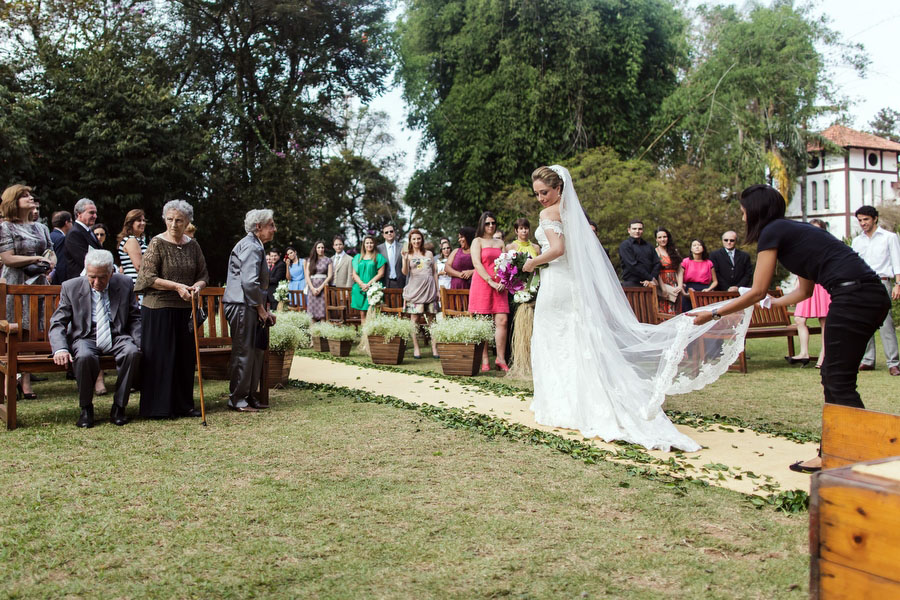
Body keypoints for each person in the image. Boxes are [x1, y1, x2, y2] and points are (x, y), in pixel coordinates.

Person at [523, 165, 751, 452]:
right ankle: (575, 400)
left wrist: (532, 262)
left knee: (557, 339)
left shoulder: (549, 214)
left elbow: (558, 250)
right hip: (571, 285)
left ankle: (561, 402)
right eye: (537, 194)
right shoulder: (573, 214)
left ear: (559, 188)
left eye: (545, 192)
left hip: (558, 283)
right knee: (574, 339)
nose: (541, 199)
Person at [691, 184, 891, 471]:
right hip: (867, 296)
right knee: (836, 375)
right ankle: (847, 449)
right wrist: (777, 303)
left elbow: (757, 290)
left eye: (744, 211)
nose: (744, 217)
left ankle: (846, 451)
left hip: (855, 297)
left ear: (756, 210)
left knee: (836, 377)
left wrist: (712, 313)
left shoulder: (773, 231)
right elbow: (804, 291)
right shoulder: (793, 233)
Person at [49, 249, 141, 428]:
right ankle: (86, 407)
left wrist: (140, 342)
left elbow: (135, 317)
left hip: (117, 335)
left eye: (102, 277)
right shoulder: (71, 287)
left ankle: (119, 406)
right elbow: (58, 322)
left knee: (132, 352)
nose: (96, 282)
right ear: (86, 271)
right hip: (85, 336)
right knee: (83, 356)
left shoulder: (125, 283)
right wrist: (60, 348)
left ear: (111, 273)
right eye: (92, 277)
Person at [134, 200, 209, 418]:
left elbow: (203, 274)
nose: (174, 224)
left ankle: (184, 405)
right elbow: (147, 277)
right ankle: (158, 408)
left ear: (187, 222)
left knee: (184, 359)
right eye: (170, 219)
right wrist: (176, 286)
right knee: (162, 357)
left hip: (184, 308)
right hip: (158, 307)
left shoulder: (193, 245)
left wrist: (197, 286)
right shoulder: (157, 243)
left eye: (179, 220)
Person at [0, 184, 54, 399]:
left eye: (31, 195)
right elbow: (8, 258)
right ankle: (8, 381)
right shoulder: (5, 227)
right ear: (14, 201)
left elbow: (50, 251)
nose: (31, 198)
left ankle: (27, 382)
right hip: (15, 284)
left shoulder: (41, 227)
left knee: (34, 330)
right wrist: (35, 259)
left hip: (39, 283)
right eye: (25, 196)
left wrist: (49, 262)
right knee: (14, 330)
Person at [223, 209, 277, 412]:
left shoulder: (256, 245)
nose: (274, 229)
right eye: (271, 225)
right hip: (242, 305)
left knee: (254, 352)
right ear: (258, 227)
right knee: (244, 352)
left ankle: (249, 395)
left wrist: (263, 310)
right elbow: (249, 282)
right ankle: (237, 399)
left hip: (248, 305)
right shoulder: (251, 247)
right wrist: (262, 311)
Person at [851, 205, 900, 376]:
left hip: (882, 283)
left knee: (886, 323)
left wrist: (898, 284)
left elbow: (897, 261)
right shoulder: (857, 241)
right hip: (862, 284)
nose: (863, 223)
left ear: (875, 219)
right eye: (860, 220)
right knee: (863, 323)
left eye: (866, 219)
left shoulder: (889, 237)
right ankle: (867, 360)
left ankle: (893, 363)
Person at [787, 219, 831, 368]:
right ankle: (804, 353)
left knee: (824, 321)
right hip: (806, 284)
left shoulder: (827, 246)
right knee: (799, 318)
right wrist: (796, 288)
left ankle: (823, 357)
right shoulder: (802, 246)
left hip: (821, 284)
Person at [469, 211, 509, 372]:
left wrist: (505, 281)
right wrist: (491, 281)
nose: (491, 226)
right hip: (483, 284)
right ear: (482, 225)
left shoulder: (500, 243)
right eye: (487, 223)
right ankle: (485, 359)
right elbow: (477, 264)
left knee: (502, 321)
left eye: (493, 223)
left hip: (500, 286)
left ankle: (500, 358)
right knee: (483, 324)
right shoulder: (477, 241)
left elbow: (507, 264)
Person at [402, 229, 440, 358]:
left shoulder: (429, 253)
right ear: (410, 241)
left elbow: (434, 272)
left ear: (422, 240)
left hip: (430, 289)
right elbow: (405, 272)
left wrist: (438, 289)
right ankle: (416, 348)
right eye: (414, 239)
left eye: (418, 238)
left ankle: (434, 347)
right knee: (414, 319)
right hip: (415, 290)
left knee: (432, 319)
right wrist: (404, 259)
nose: (416, 241)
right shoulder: (408, 255)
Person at [350, 235, 387, 321]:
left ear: (374, 244)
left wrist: (368, 284)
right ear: (364, 244)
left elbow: (381, 274)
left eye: (371, 243)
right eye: (367, 243)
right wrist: (362, 284)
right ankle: (364, 334)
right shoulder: (357, 257)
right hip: (360, 288)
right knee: (362, 313)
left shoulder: (378, 257)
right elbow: (354, 274)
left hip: (373, 288)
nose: (369, 245)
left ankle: (372, 333)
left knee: (372, 313)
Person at [64, 198, 101, 281]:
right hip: (81, 283)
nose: (95, 216)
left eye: (95, 213)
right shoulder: (74, 234)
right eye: (91, 213)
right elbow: (85, 259)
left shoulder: (88, 231)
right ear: (79, 214)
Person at [618, 219, 660, 287]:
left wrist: (651, 279)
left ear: (642, 230)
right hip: (631, 284)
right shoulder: (625, 245)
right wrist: (650, 278)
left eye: (640, 229)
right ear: (629, 230)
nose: (637, 231)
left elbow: (657, 263)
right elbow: (633, 266)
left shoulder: (649, 245)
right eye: (634, 229)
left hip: (649, 284)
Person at [680, 239, 718, 312]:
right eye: (694, 245)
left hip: (704, 291)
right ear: (691, 249)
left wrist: (708, 289)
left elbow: (715, 281)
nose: (697, 247)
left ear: (703, 248)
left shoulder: (709, 263)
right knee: (688, 315)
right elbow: (679, 279)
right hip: (689, 291)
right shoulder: (685, 261)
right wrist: (684, 293)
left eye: (699, 245)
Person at [654, 228, 682, 315]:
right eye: (660, 237)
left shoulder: (674, 251)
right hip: (662, 282)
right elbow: (655, 271)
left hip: (675, 282)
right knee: (663, 307)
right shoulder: (655, 252)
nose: (662, 239)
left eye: (664, 237)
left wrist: (680, 285)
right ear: (656, 239)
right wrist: (662, 287)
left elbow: (680, 270)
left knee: (675, 308)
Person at [117, 209, 148, 285]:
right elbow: (139, 266)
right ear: (130, 223)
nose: (142, 223)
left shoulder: (139, 240)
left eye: (144, 220)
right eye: (139, 220)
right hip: (136, 285)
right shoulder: (131, 240)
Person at [305, 240, 333, 321]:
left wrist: (320, 288)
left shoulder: (328, 260)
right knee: (311, 313)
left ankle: (323, 331)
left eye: (322, 247)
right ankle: (312, 332)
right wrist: (312, 288)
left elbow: (330, 275)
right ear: (315, 249)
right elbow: (307, 275)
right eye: (319, 247)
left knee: (322, 313)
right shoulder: (310, 260)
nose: (321, 249)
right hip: (312, 287)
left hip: (323, 287)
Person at [377, 223, 406, 289]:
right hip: (384, 283)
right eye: (386, 232)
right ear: (383, 235)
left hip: (401, 283)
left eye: (391, 231)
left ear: (394, 233)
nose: (389, 233)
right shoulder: (378, 249)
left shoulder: (403, 247)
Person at [49, 211, 73, 284]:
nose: (72, 225)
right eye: (71, 222)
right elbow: (61, 263)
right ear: (66, 223)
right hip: (57, 281)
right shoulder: (62, 238)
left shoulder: (50, 235)